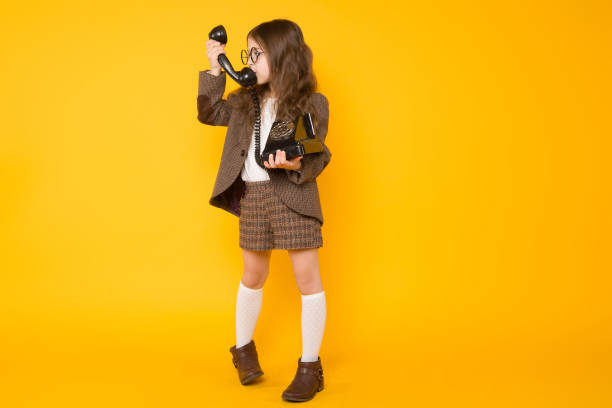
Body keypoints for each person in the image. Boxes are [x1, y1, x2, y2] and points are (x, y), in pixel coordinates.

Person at [197, 19, 331, 402]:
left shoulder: (312, 104)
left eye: (256, 53)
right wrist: (214, 68)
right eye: (247, 54)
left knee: (307, 278)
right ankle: (243, 350)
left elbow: (319, 152)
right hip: (254, 197)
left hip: (293, 197)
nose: (249, 61)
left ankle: (310, 365)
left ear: (282, 56)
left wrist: (295, 164)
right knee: (253, 273)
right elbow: (208, 113)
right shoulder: (244, 102)